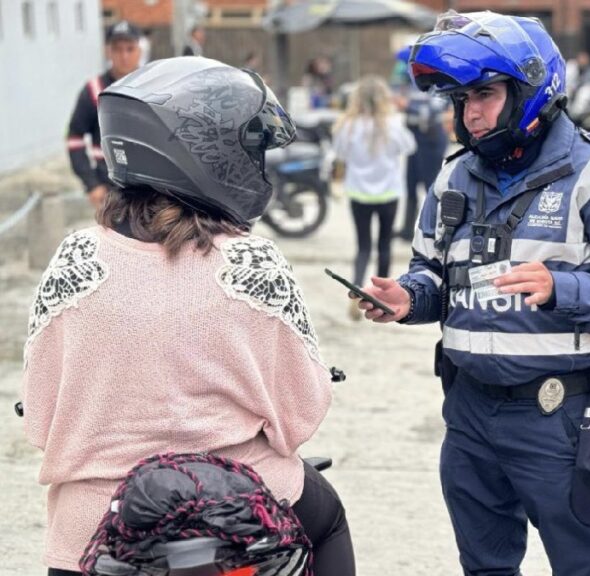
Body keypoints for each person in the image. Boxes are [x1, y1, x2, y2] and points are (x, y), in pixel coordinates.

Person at [23, 57, 355, 576]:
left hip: (94, 529)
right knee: (329, 519)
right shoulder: (254, 261)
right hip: (244, 507)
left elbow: (41, 423)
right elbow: (299, 418)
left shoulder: (73, 260)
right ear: (210, 151)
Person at [356, 11, 590, 575]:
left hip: (558, 414)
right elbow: (434, 274)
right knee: (485, 567)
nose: (470, 112)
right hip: (468, 410)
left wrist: (559, 288)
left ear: (529, 90)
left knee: (581, 567)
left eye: (485, 94)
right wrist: (406, 298)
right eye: (460, 97)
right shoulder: (453, 177)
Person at [332, 75, 416, 320]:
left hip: (358, 191)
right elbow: (409, 147)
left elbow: (339, 153)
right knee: (384, 245)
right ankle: (380, 294)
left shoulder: (347, 125)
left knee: (363, 246)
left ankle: (355, 289)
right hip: (388, 192)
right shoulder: (392, 123)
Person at [66, 20, 142, 211]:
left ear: (139, 50)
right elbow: (74, 138)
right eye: (117, 49)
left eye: (130, 49)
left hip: (148, 190)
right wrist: (91, 184)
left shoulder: (152, 88)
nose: (124, 56)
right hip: (109, 191)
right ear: (108, 52)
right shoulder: (94, 91)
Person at [392, 47, 451, 242]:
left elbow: (433, 111)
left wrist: (407, 106)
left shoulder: (437, 84)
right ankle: (407, 229)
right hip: (414, 137)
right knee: (410, 185)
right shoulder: (409, 85)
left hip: (431, 139)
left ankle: (433, 230)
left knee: (430, 187)